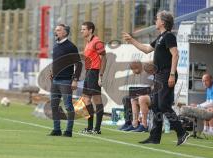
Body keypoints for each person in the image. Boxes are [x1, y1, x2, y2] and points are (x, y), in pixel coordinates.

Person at [123, 10, 189, 145]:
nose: (155, 21)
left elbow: (175, 55)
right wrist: (132, 41)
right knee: (155, 106)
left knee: (164, 105)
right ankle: (155, 137)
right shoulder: (160, 37)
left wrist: (171, 74)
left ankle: (182, 132)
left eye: (157, 18)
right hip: (159, 75)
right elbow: (146, 49)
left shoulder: (169, 36)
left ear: (163, 22)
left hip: (166, 74)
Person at [49, 24, 82, 137]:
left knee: (68, 106)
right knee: (54, 105)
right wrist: (52, 72)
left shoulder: (70, 46)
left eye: (58, 30)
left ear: (65, 32)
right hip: (55, 81)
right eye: (55, 30)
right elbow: (57, 62)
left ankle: (68, 131)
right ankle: (56, 129)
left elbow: (78, 64)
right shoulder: (55, 46)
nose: (56, 31)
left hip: (66, 81)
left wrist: (75, 80)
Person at [80, 21, 107, 134]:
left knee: (97, 100)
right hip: (88, 72)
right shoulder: (88, 42)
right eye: (81, 29)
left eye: (83, 29)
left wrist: (100, 75)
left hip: (94, 73)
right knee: (86, 100)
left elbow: (104, 59)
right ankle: (90, 127)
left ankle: (97, 128)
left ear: (90, 30)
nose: (81, 31)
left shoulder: (97, 42)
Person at [123, 61, 153, 132]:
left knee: (141, 98)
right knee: (133, 99)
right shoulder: (141, 75)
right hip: (146, 95)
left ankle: (144, 125)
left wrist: (145, 91)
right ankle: (135, 124)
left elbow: (154, 88)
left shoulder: (157, 75)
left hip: (155, 97)